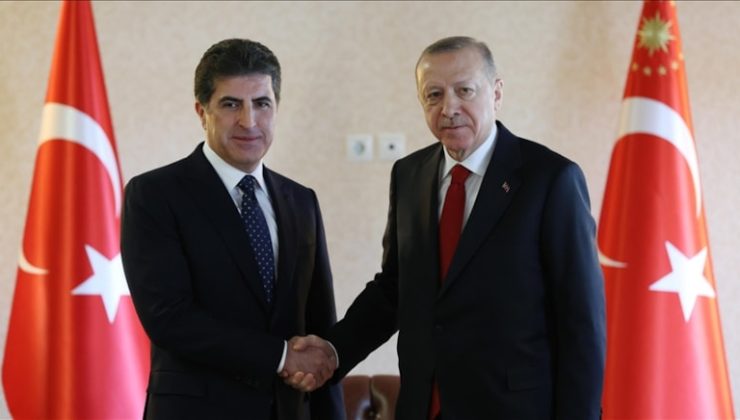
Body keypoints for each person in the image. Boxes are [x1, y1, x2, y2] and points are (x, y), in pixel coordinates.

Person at [289, 36, 606, 419]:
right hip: (423, 406)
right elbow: (395, 288)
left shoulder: (550, 179)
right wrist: (334, 350)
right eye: (434, 95)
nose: (449, 108)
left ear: (496, 93)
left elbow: (581, 322)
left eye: (464, 91)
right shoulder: (409, 175)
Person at [121, 38, 344, 420]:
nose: (249, 121)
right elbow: (168, 317)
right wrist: (281, 356)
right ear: (202, 111)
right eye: (230, 104)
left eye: (262, 103)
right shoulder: (154, 194)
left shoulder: (301, 200)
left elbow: (319, 321)